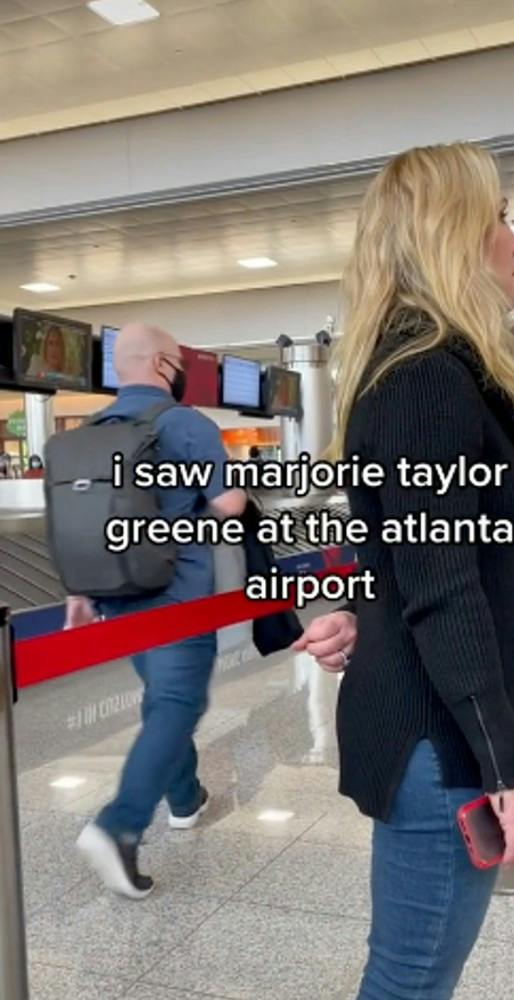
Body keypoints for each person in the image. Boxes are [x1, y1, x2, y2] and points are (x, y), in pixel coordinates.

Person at [327, 142, 514, 997]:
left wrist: (365, 607)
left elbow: (411, 547)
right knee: (412, 978)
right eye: (498, 218)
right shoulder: (425, 381)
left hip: (440, 721)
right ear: (455, 236)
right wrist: (508, 766)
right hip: (441, 741)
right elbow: (446, 589)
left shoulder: (429, 373)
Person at [68, 323, 249, 900]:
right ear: (166, 363)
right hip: (176, 594)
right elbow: (227, 504)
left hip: (114, 595)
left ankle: (185, 798)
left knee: (162, 701)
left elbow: (80, 520)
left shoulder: (89, 430)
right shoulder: (185, 424)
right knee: (178, 703)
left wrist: (80, 593)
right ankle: (118, 824)